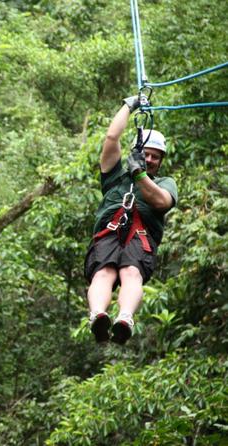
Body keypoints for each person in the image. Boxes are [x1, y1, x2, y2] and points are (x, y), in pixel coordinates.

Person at [84, 95, 178, 345]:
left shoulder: (164, 183)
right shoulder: (114, 176)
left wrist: (139, 175)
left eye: (155, 157)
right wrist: (129, 105)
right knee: (103, 273)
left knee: (131, 272)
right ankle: (97, 316)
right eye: (145, 155)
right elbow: (111, 138)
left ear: (161, 162)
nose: (149, 160)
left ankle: (125, 318)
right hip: (110, 231)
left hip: (141, 237)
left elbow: (161, 202)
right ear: (136, 153)